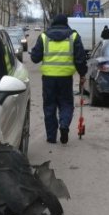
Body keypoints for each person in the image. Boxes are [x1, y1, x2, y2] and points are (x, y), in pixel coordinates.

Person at [30, 14, 87, 144]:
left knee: (49, 107)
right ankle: (64, 125)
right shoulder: (74, 36)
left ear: (53, 23)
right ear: (66, 23)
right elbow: (80, 58)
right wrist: (83, 74)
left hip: (48, 79)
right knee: (66, 104)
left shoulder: (44, 36)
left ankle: (51, 137)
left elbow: (34, 58)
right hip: (66, 79)